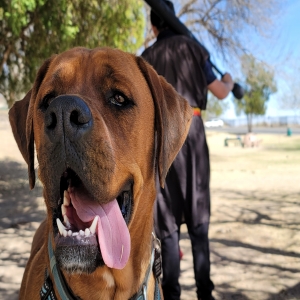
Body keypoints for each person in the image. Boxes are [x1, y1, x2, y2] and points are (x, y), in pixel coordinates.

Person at [141, 2, 234, 300]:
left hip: (160, 139)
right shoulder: (194, 48)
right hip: (192, 134)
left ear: (154, 27)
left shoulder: (145, 60)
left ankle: (171, 295)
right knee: (198, 220)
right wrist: (230, 81)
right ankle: (205, 294)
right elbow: (220, 91)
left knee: (167, 226)